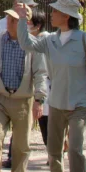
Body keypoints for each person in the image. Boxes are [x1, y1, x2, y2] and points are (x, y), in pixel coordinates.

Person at [15, 0, 86, 172]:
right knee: (54, 151)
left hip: (79, 104)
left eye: (55, 11)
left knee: (74, 149)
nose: (51, 14)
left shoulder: (85, 40)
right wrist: (21, 19)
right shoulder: (50, 40)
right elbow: (26, 43)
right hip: (56, 102)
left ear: (66, 16)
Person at [0, 7, 48, 172]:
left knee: (21, 145)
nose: (8, 22)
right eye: (8, 18)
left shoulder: (33, 45)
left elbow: (41, 72)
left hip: (23, 101)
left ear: (23, 23)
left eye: (14, 19)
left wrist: (39, 99)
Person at [29, 11, 50, 151]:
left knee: (47, 122)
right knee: (44, 122)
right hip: (39, 85)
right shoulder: (33, 41)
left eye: (29, 23)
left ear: (38, 26)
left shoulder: (44, 41)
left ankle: (54, 152)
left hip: (47, 85)